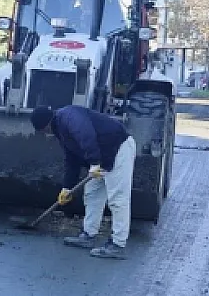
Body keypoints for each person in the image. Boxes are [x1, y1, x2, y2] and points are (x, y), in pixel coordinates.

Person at [31, 103, 135, 259]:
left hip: (118, 148)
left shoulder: (68, 117)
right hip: (102, 156)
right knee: (92, 194)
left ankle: (118, 245)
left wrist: (94, 162)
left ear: (46, 125)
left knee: (117, 199)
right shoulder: (61, 130)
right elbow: (71, 160)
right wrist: (67, 187)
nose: (46, 135)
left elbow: (86, 134)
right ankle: (88, 235)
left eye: (44, 131)